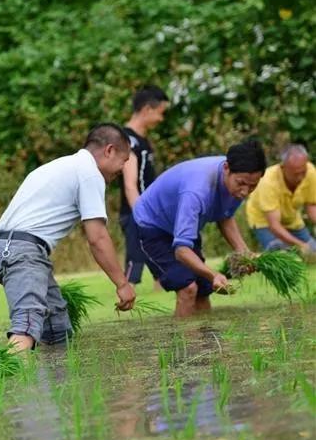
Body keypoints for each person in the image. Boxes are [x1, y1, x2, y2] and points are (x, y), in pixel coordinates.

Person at [0, 123, 136, 353]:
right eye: (123, 161)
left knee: (57, 330)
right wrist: (123, 284)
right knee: (26, 327)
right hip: (23, 251)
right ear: (109, 150)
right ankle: (2, 382)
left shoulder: (66, 165)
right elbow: (97, 238)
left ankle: (53, 386)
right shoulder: (89, 173)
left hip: (17, 248)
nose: (123, 169)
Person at [133, 139, 266, 318]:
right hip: (153, 225)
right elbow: (181, 251)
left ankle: (206, 343)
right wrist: (213, 274)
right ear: (226, 168)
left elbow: (225, 217)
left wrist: (245, 253)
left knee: (204, 289)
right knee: (188, 288)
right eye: (241, 183)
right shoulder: (197, 191)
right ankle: (183, 344)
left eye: (253, 186)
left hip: (183, 225)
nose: (245, 192)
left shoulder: (237, 181)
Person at [120, 85, 169, 286]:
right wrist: (141, 214)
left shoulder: (143, 140)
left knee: (156, 251)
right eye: (160, 113)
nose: (161, 119)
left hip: (147, 208)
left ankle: (165, 285)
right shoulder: (128, 140)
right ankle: (125, 291)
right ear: (147, 109)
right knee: (136, 255)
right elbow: (130, 184)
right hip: (135, 209)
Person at [245, 144, 316, 253]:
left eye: (303, 172)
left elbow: (311, 206)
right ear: (283, 167)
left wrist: (307, 247)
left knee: (313, 251)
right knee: (280, 251)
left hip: (292, 220)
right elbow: (274, 225)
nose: (301, 177)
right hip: (265, 222)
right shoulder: (268, 181)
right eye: (295, 174)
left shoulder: (310, 172)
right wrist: (301, 245)